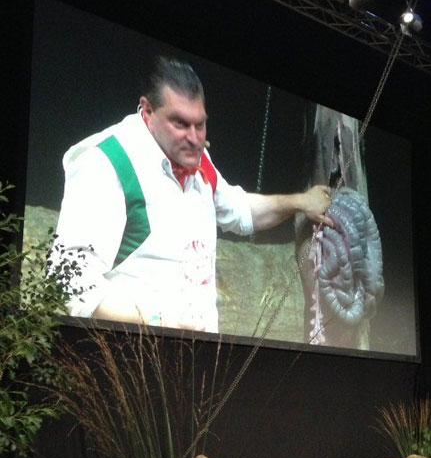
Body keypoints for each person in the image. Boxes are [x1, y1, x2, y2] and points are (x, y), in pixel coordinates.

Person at [51, 56, 333, 332]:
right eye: (181, 124)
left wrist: (300, 202)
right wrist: (155, 323)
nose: (195, 138)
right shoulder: (106, 163)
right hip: (132, 355)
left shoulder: (196, 159)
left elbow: (239, 211)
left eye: (200, 124)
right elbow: (69, 282)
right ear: (147, 111)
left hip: (197, 356)